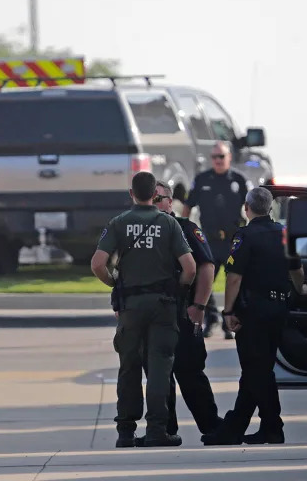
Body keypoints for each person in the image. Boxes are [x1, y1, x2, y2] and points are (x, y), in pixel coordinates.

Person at [91, 171, 196, 449]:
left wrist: (116, 284)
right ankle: (157, 430)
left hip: (130, 306)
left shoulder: (118, 223)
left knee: (129, 367)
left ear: (131, 194)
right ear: (155, 194)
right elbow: (190, 268)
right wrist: (178, 290)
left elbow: (98, 264)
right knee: (160, 366)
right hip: (162, 304)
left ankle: (125, 431)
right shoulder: (169, 224)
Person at [202, 187, 307, 446]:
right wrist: (301, 289)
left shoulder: (245, 236)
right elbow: (297, 269)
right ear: (271, 208)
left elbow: (234, 278)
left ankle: (268, 427)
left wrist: (228, 311)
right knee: (259, 370)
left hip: (253, 312)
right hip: (279, 309)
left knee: (255, 370)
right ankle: (245, 427)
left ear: (246, 208)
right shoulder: (285, 234)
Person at [147, 181, 221, 440]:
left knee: (190, 371)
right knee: (158, 375)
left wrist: (199, 306)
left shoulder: (186, 228)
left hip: (182, 310)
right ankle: (165, 430)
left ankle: (211, 426)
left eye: (160, 198)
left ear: (170, 202)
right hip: (152, 314)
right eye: (151, 198)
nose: (155, 203)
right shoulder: (138, 230)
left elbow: (206, 267)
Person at [182, 141, 248, 338]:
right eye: (214, 157)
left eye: (221, 156)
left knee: (234, 281)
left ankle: (230, 321)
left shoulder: (239, 180)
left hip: (232, 241)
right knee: (203, 280)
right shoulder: (202, 180)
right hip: (209, 240)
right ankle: (211, 319)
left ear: (229, 157)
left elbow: (250, 207)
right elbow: (188, 206)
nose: (217, 160)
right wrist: (182, 229)